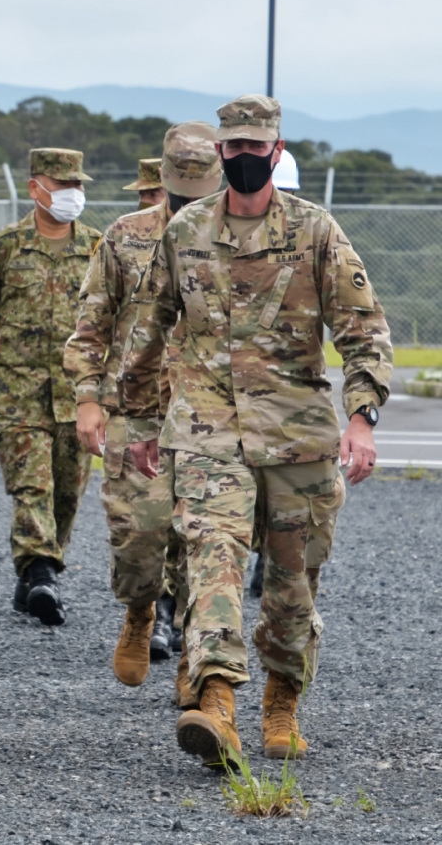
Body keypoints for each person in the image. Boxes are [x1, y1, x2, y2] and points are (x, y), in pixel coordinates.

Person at [119, 94, 393, 766]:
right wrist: (141, 416)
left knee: (292, 583)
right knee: (211, 556)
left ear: (275, 150)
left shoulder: (315, 231)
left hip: (297, 436)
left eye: (255, 147)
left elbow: (365, 330)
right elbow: (147, 330)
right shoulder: (184, 235)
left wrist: (361, 418)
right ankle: (214, 703)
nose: (244, 158)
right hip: (206, 430)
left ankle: (281, 703)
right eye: (233, 147)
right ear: (220, 153)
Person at [64, 122, 222, 699]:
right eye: (178, 191)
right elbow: (90, 325)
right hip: (137, 410)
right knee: (138, 538)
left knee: (199, 543)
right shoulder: (125, 237)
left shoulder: (233, 236)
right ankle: (138, 612)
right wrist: (87, 398)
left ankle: (190, 658)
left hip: (209, 412)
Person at [0, 148, 101, 626]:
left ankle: (36, 574)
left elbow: (111, 318)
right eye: (60, 186)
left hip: (77, 395)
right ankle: (40, 569)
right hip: (20, 393)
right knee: (30, 485)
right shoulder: (4, 248)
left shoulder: (99, 249)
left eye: (76, 186)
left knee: (67, 490)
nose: (70, 195)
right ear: (34, 188)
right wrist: (7, 364)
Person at [248, 147, 300, 599]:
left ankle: (268, 560)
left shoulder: (309, 243)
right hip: (229, 398)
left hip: (285, 395)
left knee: (281, 490)